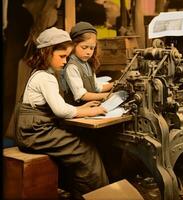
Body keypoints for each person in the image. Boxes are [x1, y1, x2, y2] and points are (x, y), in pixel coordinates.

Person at [15, 27, 109, 199]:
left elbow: (59, 106)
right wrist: (92, 111)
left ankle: (78, 191)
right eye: (62, 56)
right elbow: (60, 111)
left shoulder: (42, 74)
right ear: (46, 53)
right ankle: (93, 196)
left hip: (35, 130)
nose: (66, 61)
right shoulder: (45, 77)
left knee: (82, 141)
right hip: (35, 133)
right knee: (85, 151)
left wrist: (82, 108)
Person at [64, 21, 113, 105]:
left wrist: (115, 84)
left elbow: (97, 88)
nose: (88, 52)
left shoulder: (88, 64)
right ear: (73, 45)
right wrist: (108, 95)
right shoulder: (72, 67)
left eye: (92, 48)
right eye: (84, 47)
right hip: (78, 109)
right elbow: (82, 95)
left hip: (90, 106)